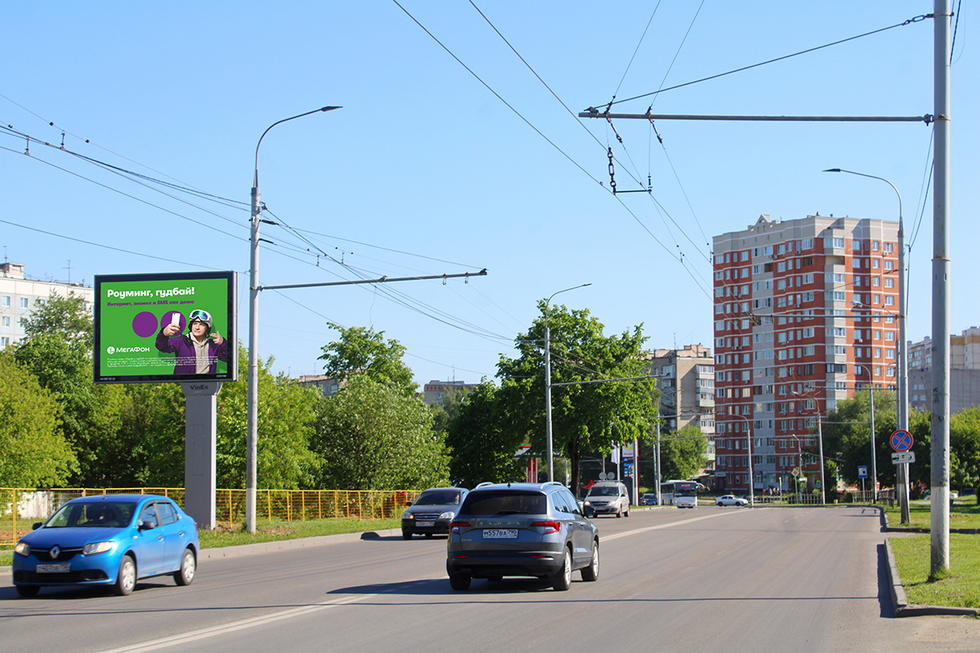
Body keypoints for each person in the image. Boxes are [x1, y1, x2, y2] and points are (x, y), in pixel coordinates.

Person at [155, 309, 229, 375]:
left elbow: (228, 358)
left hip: (207, 385)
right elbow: (162, 347)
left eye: (201, 324)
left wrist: (223, 343)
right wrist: (163, 334)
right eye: (195, 323)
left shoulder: (213, 345)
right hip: (183, 384)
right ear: (191, 326)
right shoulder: (181, 341)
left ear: (207, 328)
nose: (197, 327)